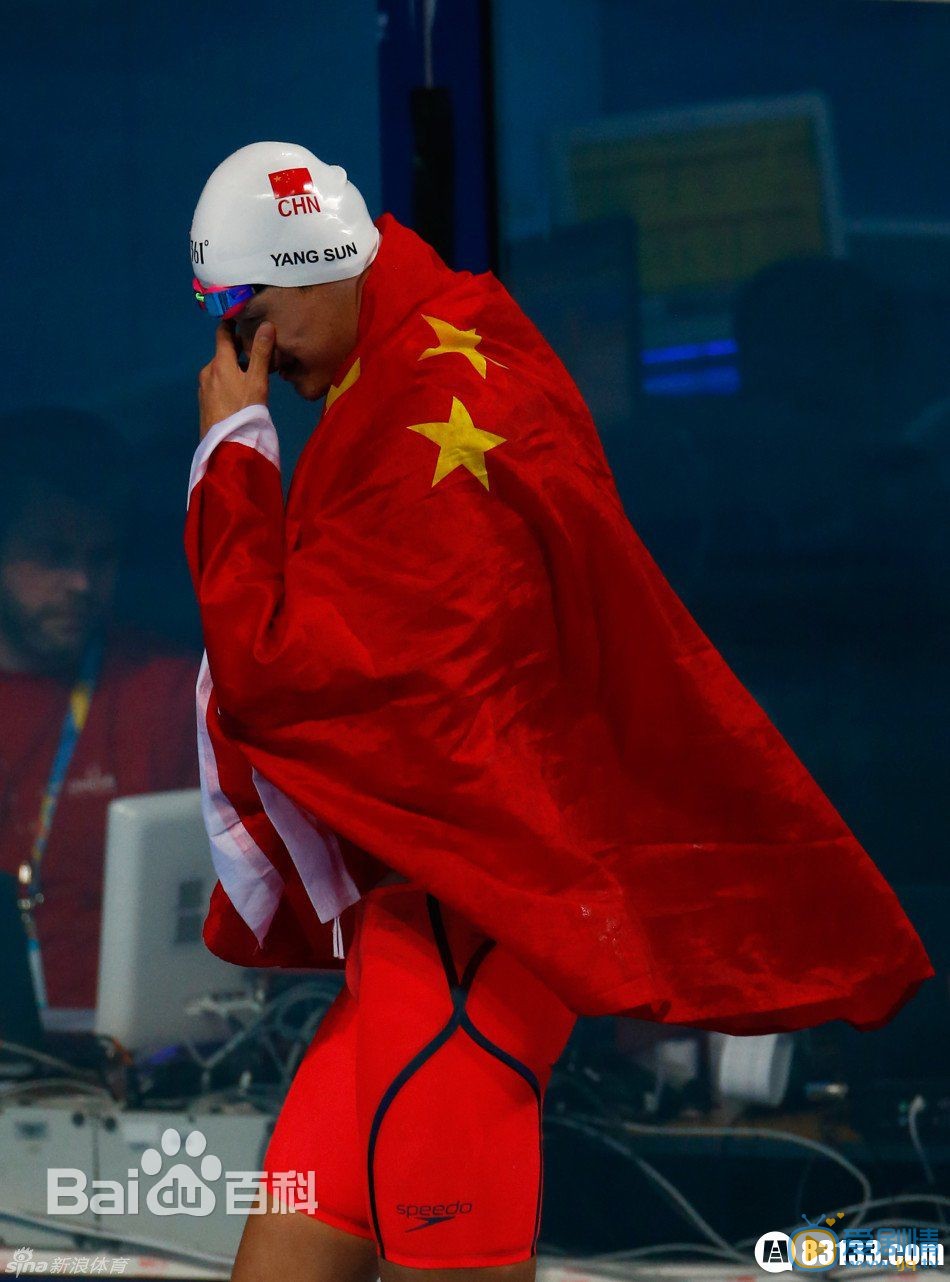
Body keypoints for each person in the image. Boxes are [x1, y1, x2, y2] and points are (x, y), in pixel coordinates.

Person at [185, 143, 933, 1282]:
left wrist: (231, 459)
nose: (243, 352)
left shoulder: (425, 409)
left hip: (472, 908)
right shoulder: (456, 349)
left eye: (249, 313)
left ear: (317, 266)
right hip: (433, 918)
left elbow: (284, 676)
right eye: (220, 319)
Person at [0, 409, 200, 1022]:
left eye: (101, 557)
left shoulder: (169, 688)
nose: (82, 584)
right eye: (53, 555)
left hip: (138, 1047)